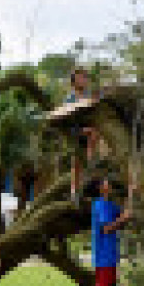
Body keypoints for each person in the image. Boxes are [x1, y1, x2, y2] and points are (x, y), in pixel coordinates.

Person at [90, 176, 133, 286]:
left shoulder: (109, 205)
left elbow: (124, 214)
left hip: (109, 257)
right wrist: (123, 219)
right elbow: (107, 228)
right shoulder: (100, 205)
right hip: (104, 257)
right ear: (101, 188)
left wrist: (130, 192)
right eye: (106, 182)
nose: (110, 183)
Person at [66, 68, 99, 204]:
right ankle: (74, 192)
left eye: (85, 77)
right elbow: (68, 117)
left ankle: (91, 164)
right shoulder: (70, 98)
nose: (83, 80)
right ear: (74, 82)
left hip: (88, 129)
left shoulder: (88, 96)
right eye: (80, 78)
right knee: (76, 163)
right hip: (75, 131)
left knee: (95, 132)